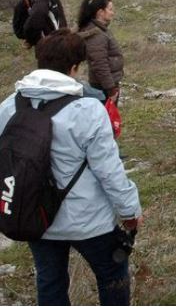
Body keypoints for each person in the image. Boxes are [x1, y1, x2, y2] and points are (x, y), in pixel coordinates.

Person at [0, 30, 142, 305]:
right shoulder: (88, 110)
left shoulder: (9, 106)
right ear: (76, 67)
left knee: (49, 281)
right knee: (112, 276)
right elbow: (109, 171)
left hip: (36, 216)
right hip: (89, 221)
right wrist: (129, 211)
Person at [77, 0, 123, 104]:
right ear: (100, 12)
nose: (113, 13)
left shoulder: (101, 30)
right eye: (110, 9)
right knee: (105, 118)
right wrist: (110, 89)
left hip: (107, 83)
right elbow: (99, 64)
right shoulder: (96, 34)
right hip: (103, 86)